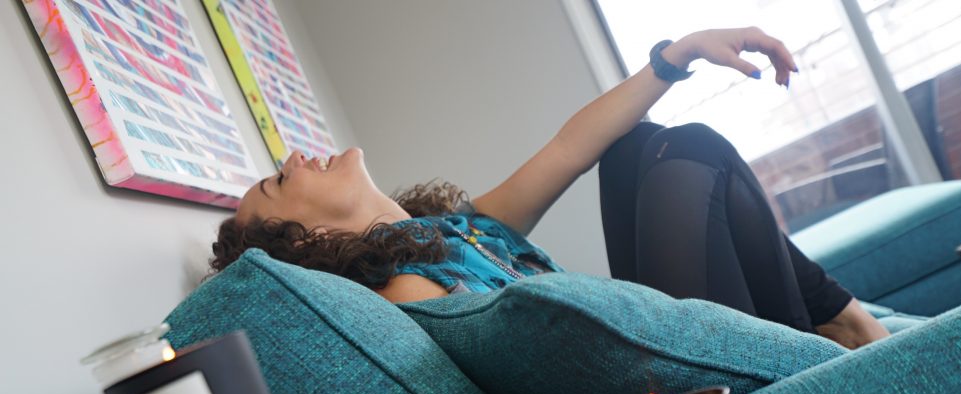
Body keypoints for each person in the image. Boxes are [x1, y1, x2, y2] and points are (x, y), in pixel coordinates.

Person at [211, 27, 889, 349]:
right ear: (311, 239)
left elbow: (571, 147)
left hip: (657, 335)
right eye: (279, 180)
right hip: (663, 375)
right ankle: (847, 329)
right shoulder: (406, 294)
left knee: (633, 151)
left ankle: (841, 324)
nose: (294, 157)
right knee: (691, 154)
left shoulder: (456, 235)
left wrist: (677, 56)